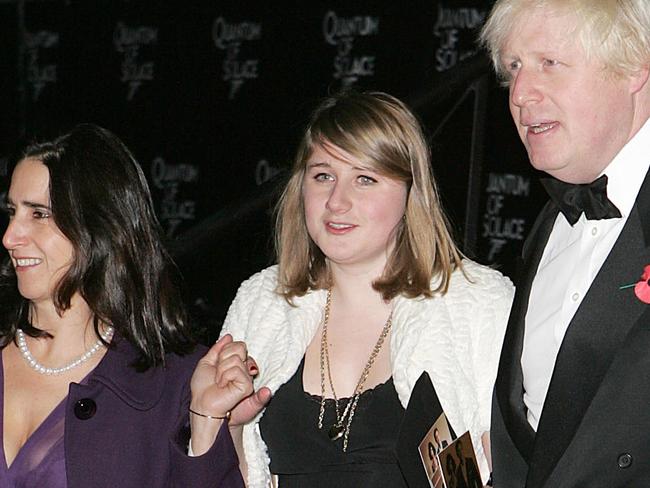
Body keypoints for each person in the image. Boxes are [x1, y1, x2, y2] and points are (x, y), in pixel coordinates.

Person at [218, 90, 514, 487]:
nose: (337, 201)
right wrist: (227, 428)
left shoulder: (478, 304)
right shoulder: (262, 303)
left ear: (411, 192)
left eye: (365, 179)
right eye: (323, 175)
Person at [0, 124, 250, 487]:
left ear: (101, 226)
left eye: (39, 214)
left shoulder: (175, 381)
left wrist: (207, 420)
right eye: (12, 211)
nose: (9, 236)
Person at [480, 0, 650, 486]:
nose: (521, 94)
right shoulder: (551, 223)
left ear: (634, 64)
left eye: (548, 63)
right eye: (514, 68)